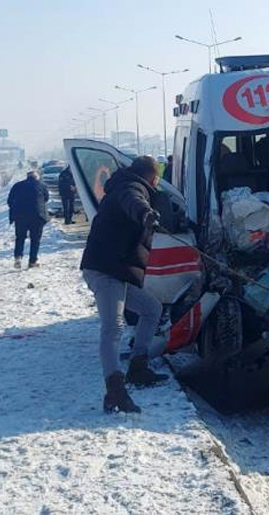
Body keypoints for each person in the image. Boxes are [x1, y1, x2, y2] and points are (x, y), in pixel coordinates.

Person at [80, 155, 168, 413]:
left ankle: (138, 367)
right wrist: (146, 214)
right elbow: (134, 203)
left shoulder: (126, 184)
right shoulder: (131, 188)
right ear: (152, 176)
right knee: (113, 328)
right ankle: (115, 392)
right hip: (105, 269)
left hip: (116, 269)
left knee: (152, 308)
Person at [7, 170, 50, 268]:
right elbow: (46, 198)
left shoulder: (17, 185)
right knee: (35, 239)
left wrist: (16, 209)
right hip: (37, 216)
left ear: (27, 177)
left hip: (20, 216)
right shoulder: (42, 185)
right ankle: (32, 261)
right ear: (36, 177)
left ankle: (18, 257)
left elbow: (9, 201)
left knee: (20, 238)